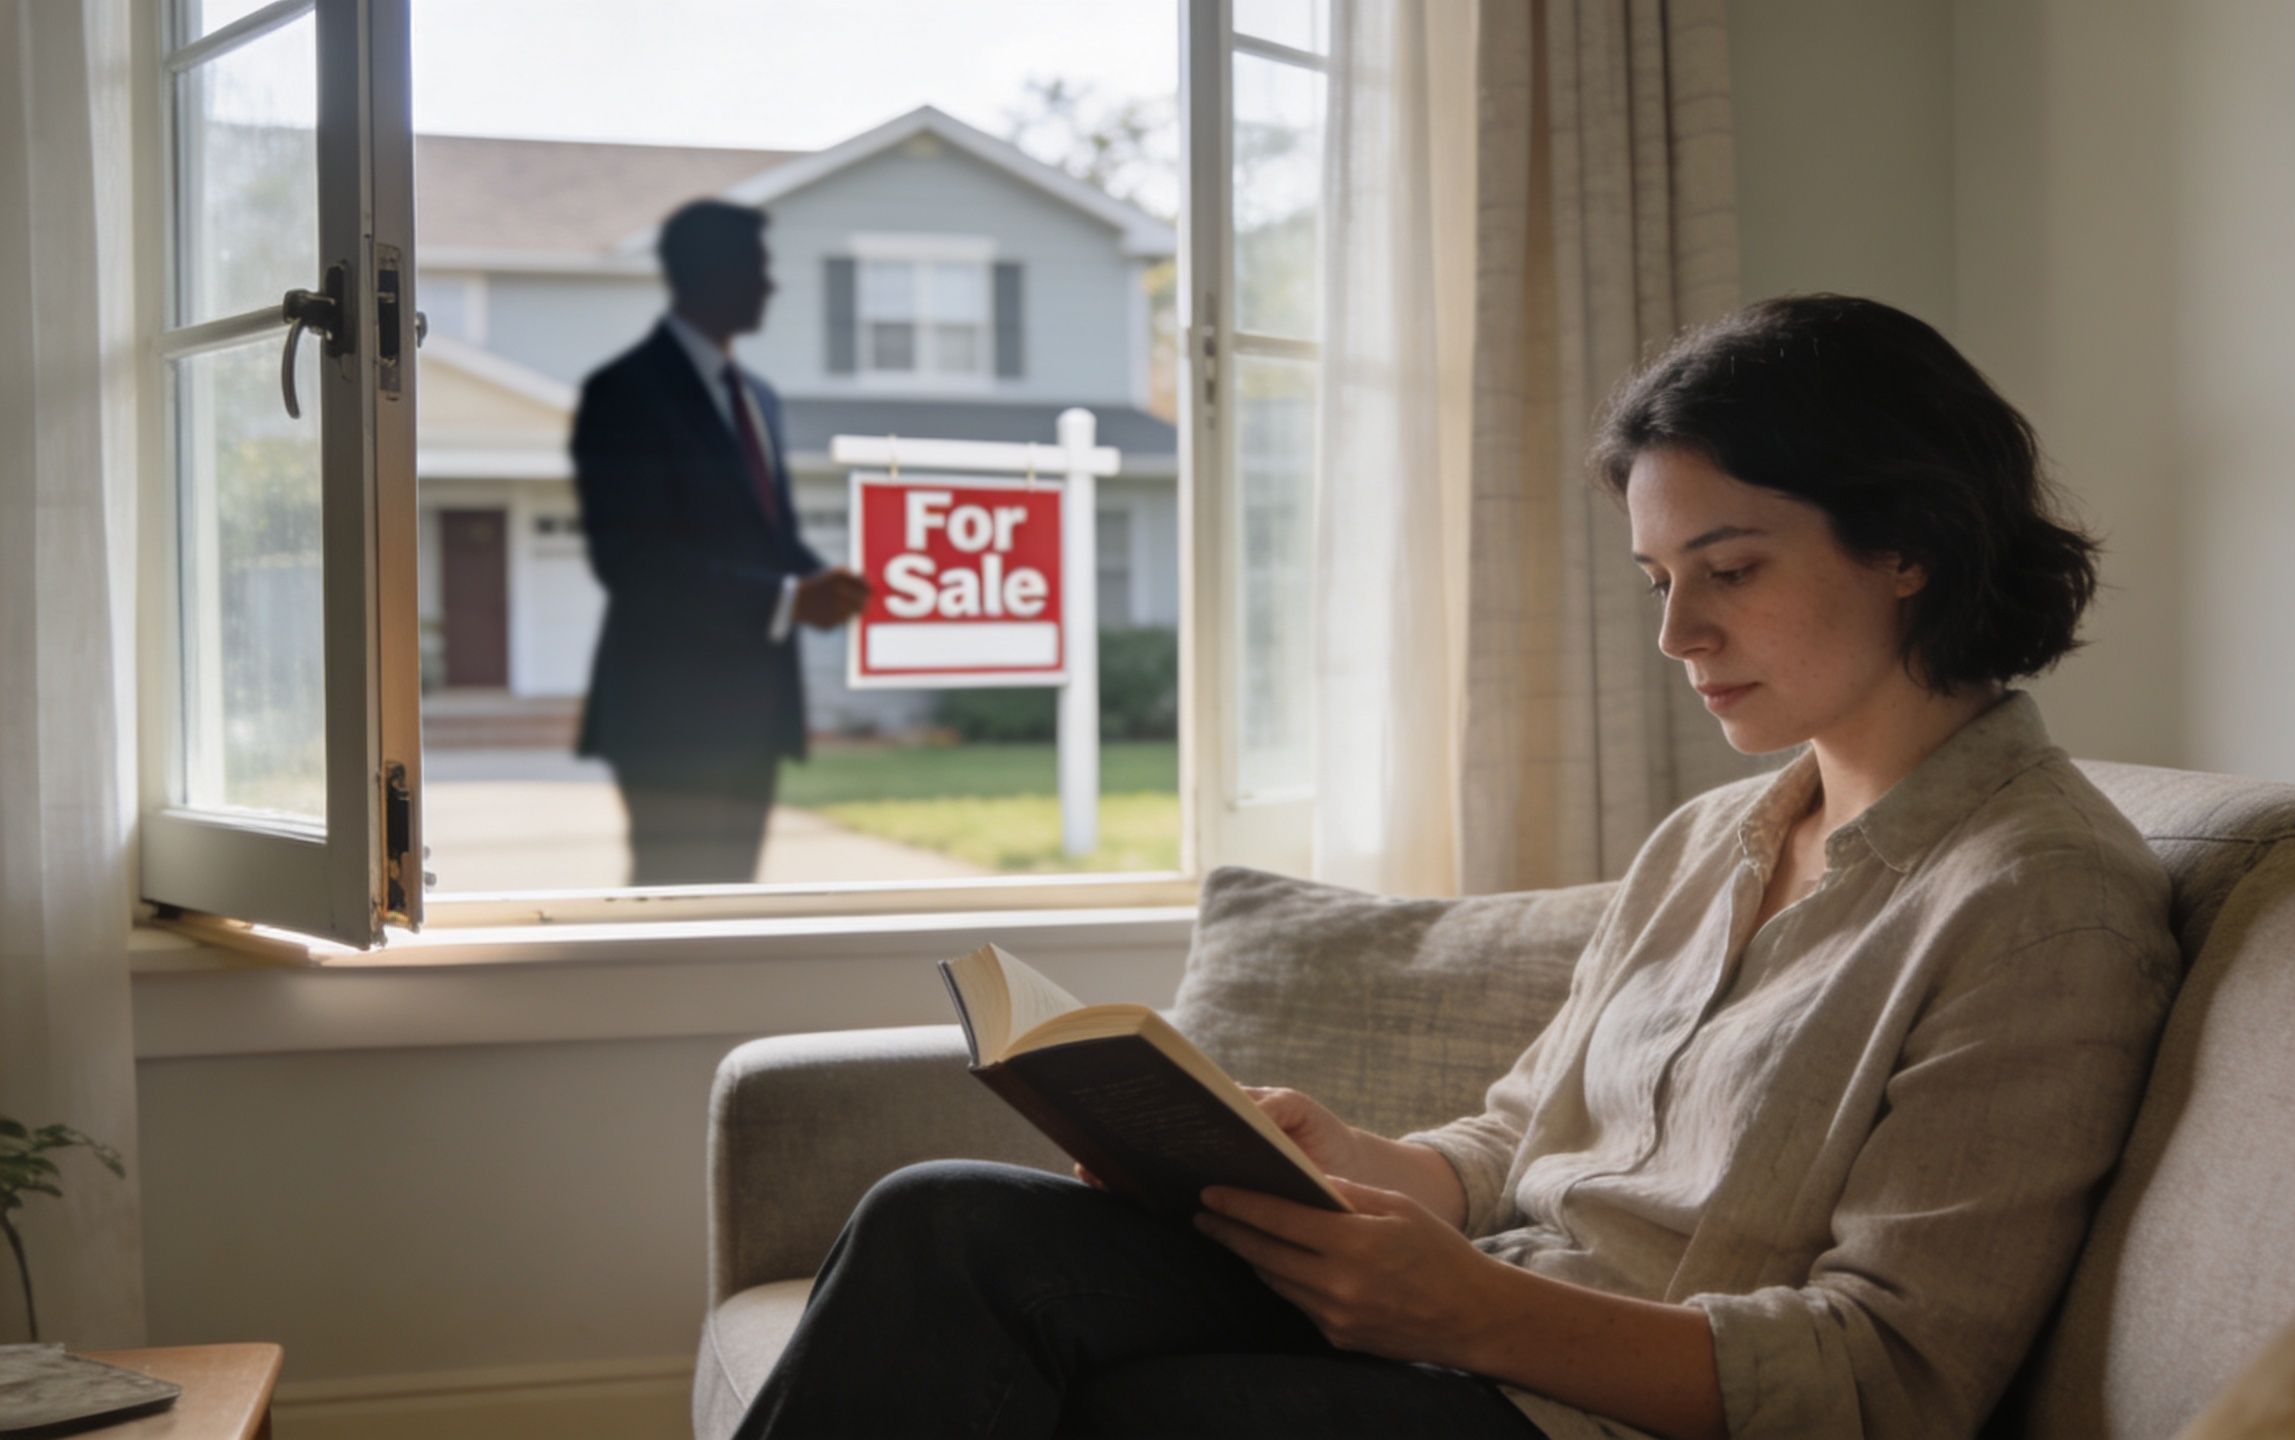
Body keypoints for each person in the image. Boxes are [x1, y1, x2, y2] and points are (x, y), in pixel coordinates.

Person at [728, 294, 2182, 1439]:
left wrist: (1468, 1313)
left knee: (1109, 1410)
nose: (1678, 636)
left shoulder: (2041, 901)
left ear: (1912, 544)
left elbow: (1890, 1381)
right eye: (1659, 581)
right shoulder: (1708, 842)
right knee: (941, 1225)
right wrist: (1367, 1169)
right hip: (1483, 1331)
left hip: (1582, 1409)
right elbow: (1524, 1140)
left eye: (1729, 570)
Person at [570, 199, 867, 886]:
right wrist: (792, 598)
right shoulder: (624, 393)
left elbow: (775, 538)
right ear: (706, 273)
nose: (770, 284)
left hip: (759, 708)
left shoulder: (759, 397)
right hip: (667, 714)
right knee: (673, 921)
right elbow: (633, 562)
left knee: (734, 908)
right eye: (756, 267)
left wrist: (842, 585)